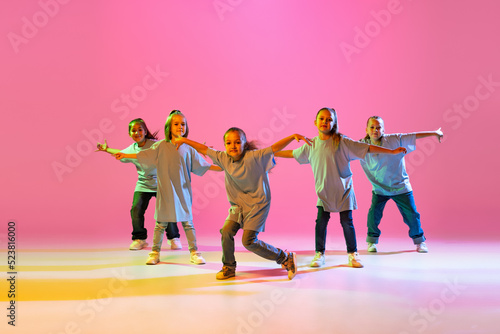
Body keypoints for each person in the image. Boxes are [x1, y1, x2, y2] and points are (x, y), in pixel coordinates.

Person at [173, 127, 312, 280]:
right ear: (224, 145)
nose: (233, 146)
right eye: (229, 143)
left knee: (248, 241)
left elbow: (274, 148)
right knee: (226, 231)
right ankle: (229, 267)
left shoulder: (254, 157)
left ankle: (285, 258)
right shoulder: (223, 157)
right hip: (238, 206)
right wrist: (183, 140)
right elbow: (203, 148)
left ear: (245, 144)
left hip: (258, 204)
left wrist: (292, 136)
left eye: (238, 142)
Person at [275, 108, 406, 268]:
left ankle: (353, 254)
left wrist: (391, 151)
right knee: (321, 223)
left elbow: (367, 148)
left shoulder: (343, 142)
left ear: (334, 123)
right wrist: (271, 153)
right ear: (315, 122)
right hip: (324, 193)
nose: (325, 122)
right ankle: (319, 254)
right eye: (322, 119)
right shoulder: (311, 145)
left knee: (347, 222)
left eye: (329, 119)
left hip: (344, 191)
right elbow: (292, 153)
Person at [115, 110, 219, 265]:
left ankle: (194, 252)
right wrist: (125, 155)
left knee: (188, 223)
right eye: (176, 124)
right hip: (164, 192)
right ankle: (154, 252)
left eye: (182, 124)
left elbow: (203, 165)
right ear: (169, 127)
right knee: (160, 224)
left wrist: (223, 166)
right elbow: (145, 154)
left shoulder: (189, 148)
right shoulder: (160, 146)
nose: (180, 127)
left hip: (183, 192)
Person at [360, 116, 443, 253]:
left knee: (412, 214)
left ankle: (420, 241)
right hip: (380, 188)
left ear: (383, 130)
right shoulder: (361, 145)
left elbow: (414, 136)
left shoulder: (393, 139)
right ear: (367, 129)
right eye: (372, 127)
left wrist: (434, 133)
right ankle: (372, 241)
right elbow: (345, 147)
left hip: (400, 186)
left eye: (379, 127)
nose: (375, 130)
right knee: (373, 214)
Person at [96, 118, 182, 251]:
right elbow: (121, 153)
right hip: (143, 184)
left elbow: (172, 147)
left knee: (167, 209)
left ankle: (173, 237)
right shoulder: (132, 148)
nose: (137, 132)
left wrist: (197, 150)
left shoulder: (155, 144)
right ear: (130, 134)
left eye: (140, 129)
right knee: (136, 209)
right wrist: (107, 149)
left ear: (145, 131)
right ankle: (139, 239)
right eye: (133, 131)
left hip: (162, 183)